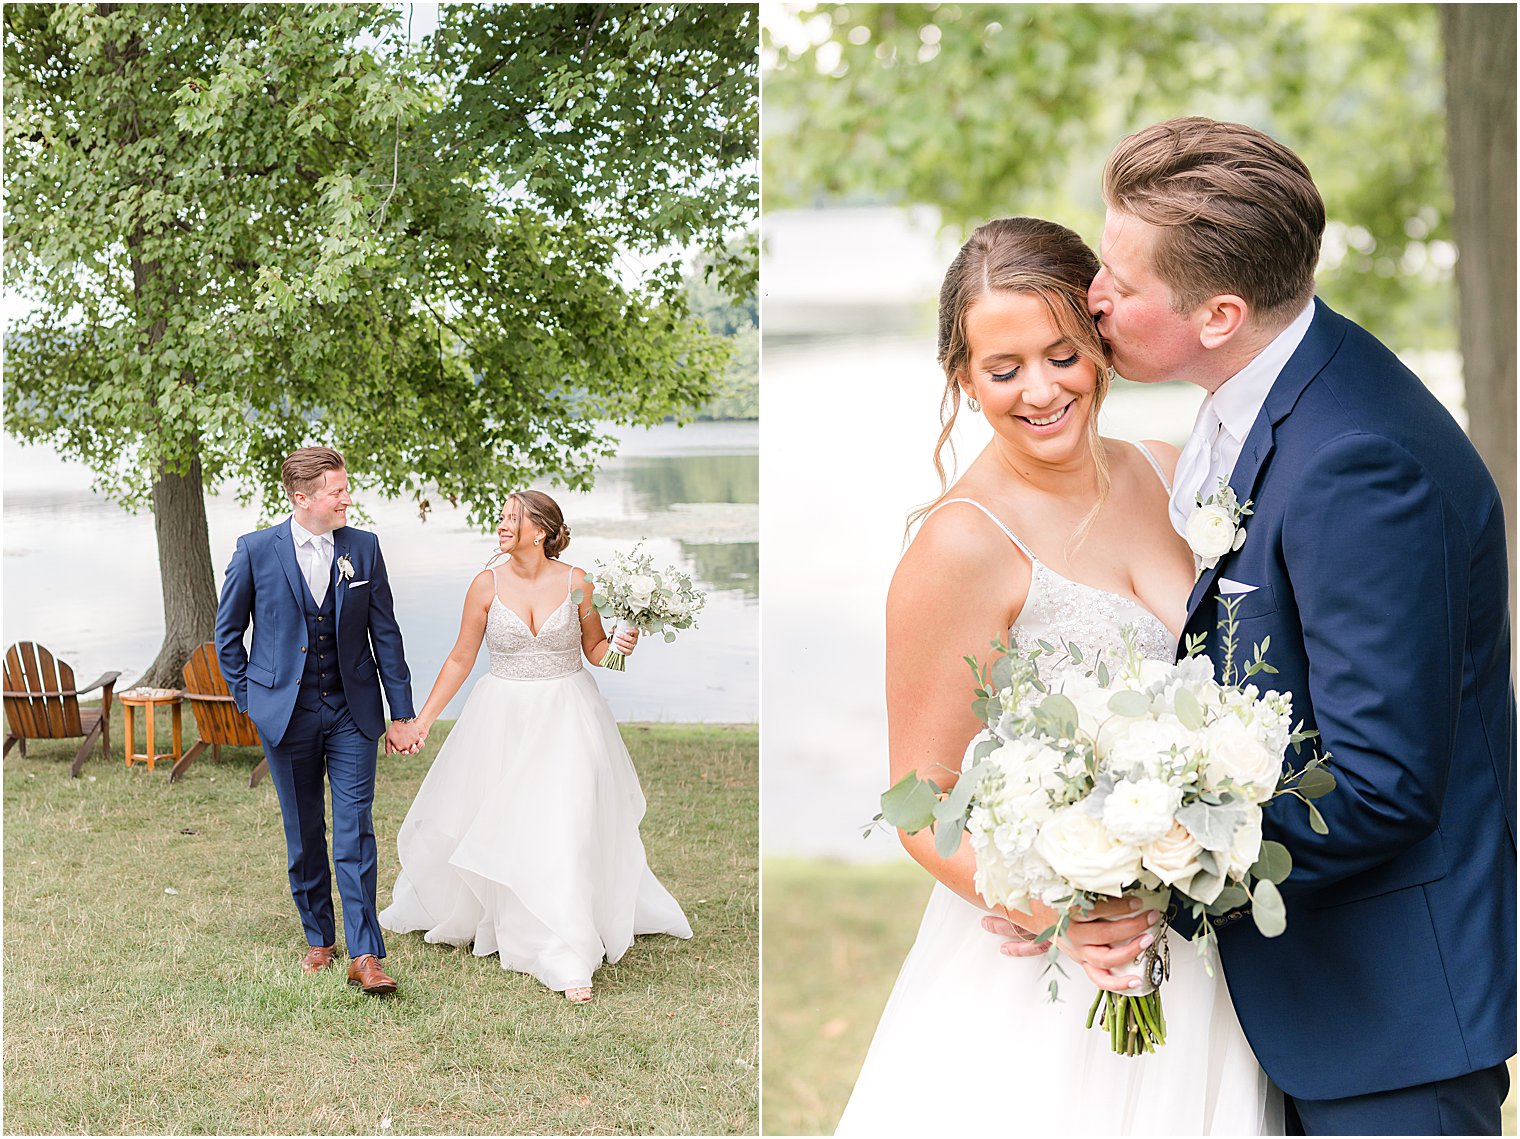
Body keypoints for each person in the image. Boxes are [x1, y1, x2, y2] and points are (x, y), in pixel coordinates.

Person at [985, 117, 1515, 1135]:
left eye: (1120, 284)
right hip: (1282, 1000)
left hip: (1383, 1016)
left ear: (1218, 311)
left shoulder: (1359, 464)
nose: (1090, 294)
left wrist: (1146, 873)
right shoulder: (1253, 398)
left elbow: (1381, 783)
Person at [836, 217, 1280, 1135]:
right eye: (1003, 369)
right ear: (964, 376)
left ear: (1101, 340)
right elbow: (919, 795)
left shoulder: (1168, 471)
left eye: (1063, 354)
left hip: (1205, 944)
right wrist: (1054, 911)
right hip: (1063, 968)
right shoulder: (960, 543)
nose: (1040, 390)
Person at [379, 489, 692, 1003]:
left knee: (564, 823)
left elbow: (597, 656)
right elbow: (460, 658)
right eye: (500, 517)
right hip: (501, 718)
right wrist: (421, 722)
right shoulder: (484, 585)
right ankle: (513, 919)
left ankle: (564, 950)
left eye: (511, 519)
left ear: (541, 530)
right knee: (507, 823)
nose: (501, 526)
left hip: (569, 716)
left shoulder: (578, 583)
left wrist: (621, 646)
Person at [215, 446, 423, 995]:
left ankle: (365, 954)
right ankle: (319, 940)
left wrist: (401, 711)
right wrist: (250, 700)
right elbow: (227, 636)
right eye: (337, 491)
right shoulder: (256, 550)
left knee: (355, 829)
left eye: (346, 488)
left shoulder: (364, 548)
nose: (346, 498)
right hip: (286, 715)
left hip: (353, 712)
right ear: (302, 498)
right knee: (304, 830)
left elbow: (387, 634)